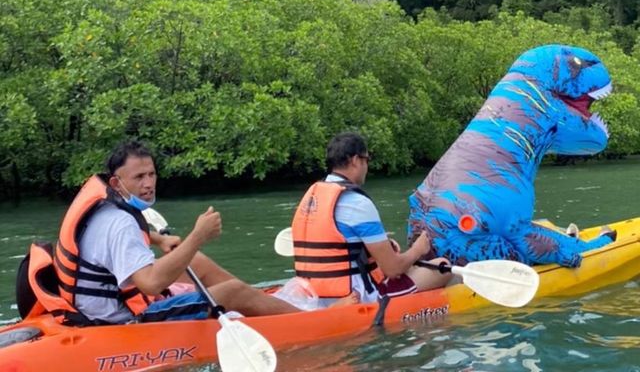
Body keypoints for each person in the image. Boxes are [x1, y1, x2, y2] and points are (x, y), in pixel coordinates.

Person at [54, 140, 304, 324]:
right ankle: (306, 322)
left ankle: (260, 305)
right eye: (139, 177)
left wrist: (157, 239)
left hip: (94, 303)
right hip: (123, 317)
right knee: (232, 290)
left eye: (151, 174)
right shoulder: (121, 223)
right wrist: (198, 236)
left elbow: (107, 247)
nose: (148, 183)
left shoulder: (104, 208)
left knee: (195, 263)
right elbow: (150, 284)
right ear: (116, 183)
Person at [290, 132, 451, 307]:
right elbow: (393, 270)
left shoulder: (311, 197)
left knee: (407, 263)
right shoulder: (356, 203)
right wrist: (418, 249)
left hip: (312, 295)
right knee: (442, 266)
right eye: (366, 159)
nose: (367, 166)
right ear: (354, 160)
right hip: (358, 297)